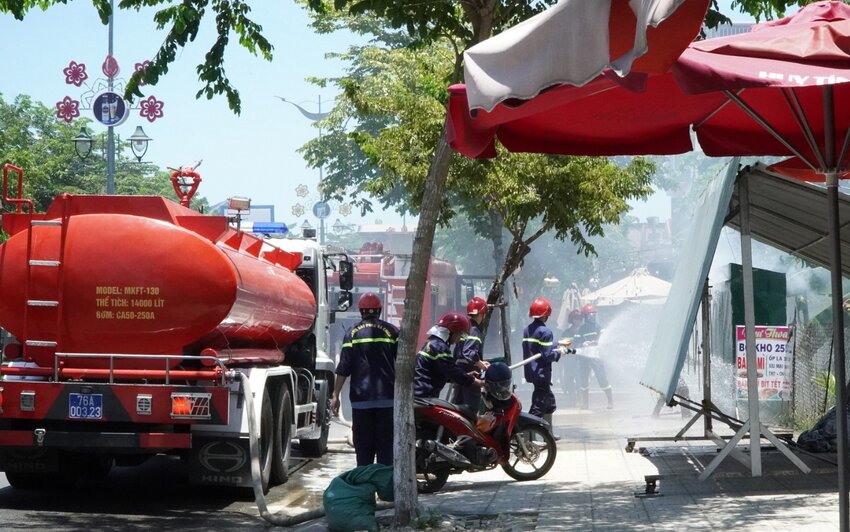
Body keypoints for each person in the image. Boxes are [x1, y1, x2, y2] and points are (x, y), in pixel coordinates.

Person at [331, 292, 399, 466]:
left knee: (363, 450)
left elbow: (344, 367)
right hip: (387, 400)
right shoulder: (392, 331)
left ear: (361, 311)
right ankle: (384, 490)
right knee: (386, 449)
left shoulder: (352, 333)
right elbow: (403, 364)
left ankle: (366, 490)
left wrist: (335, 395)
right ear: (380, 310)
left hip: (361, 402)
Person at [414, 311, 484, 403]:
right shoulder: (439, 347)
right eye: (461, 334)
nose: (460, 339)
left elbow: (444, 372)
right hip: (424, 399)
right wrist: (478, 382)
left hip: (421, 396)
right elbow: (452, 372)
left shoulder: (432, 343)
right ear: (452, 331)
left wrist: (466, 375)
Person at [522, 297, 565, 428]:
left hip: (532, 372)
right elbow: (547, 355)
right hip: (541, 374)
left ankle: (548, 434)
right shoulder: (546, 332)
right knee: (538, 407)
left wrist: (558, 343)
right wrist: (560, 352)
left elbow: (538, 348)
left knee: (550, 404)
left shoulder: (528, 329)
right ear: (546, 314)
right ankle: (528, 438)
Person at [452, 297, 491, 412]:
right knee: (471, 409)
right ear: (481, 314)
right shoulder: (475, 331)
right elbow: (469, 352)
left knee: (457, 406)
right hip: (469, 373)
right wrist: (481, 365)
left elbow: (461, 351)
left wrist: (480, 361)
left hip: (459, 371)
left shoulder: (466, 328)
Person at [573, 303, 614, 410]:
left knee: (602, 378)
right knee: (583, 380)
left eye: (593, 315)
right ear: (585, 317)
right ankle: (585, 404)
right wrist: (582, 344)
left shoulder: (599, 327)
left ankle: (610, 401)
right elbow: (576, 343)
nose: (592, 317)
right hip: (584, 357)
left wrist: (595, 342)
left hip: (596, 357)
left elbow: (605, 341)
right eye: (590, 315)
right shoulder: (581, 329)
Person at [560, 309, 583, 407]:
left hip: (580, 361)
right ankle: (572, 400)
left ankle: (580, 400)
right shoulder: (566, 333)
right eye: (576, 318)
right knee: (569, 381)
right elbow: (562, 347)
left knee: (580, 381)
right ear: (572, 320)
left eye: (580, 318)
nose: (578, 320)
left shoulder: (583, 331)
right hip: (569, 361)